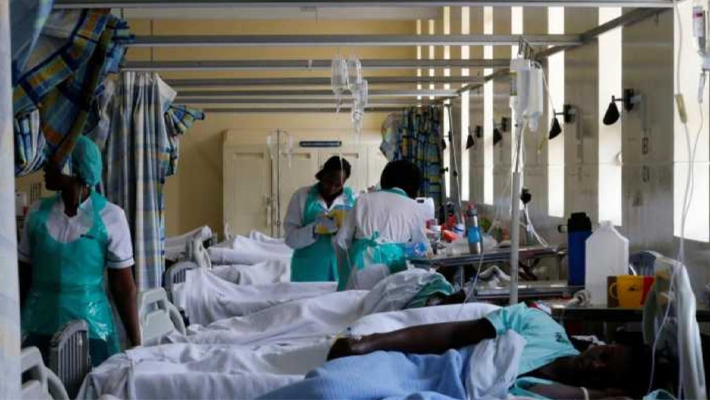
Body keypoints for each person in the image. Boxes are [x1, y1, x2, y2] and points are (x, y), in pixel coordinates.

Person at [261, 302, 671, 400]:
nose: (595, 364)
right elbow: (455, 332)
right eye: (605, 354)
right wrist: (373, 342)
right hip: (429, 370)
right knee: (329, 389)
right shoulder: (541, 326)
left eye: (605, 372)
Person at [19, 136, 141, 366]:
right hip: (36, 327)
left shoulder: (111, 217)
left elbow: (123, 286)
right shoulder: (36, 214)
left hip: (92, 331)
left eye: (53, 161)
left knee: (92, 384)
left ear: (73, 170)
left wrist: (136, 344)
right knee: (36, 384)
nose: (46, 167)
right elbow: (22, 278)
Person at [334, 160, 430, 290]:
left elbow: (340, 241)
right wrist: (404, 249)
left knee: (353, 301)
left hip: (360, 266)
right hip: (394, 271)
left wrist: (344, 271)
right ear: (414, 186)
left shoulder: (362, 200)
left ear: (384, 179)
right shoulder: (415, 207)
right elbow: (422, 249)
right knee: (387, 301)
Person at [284, 156, 355, 282]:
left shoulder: (352, 200)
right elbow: (290, 239)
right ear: (322, 175)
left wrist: (344, 232)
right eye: (328, 181)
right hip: (307, 271)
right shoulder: (301, 196)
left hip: (340, 271)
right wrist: (314, 229)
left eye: (338, 185)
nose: (332, 188)